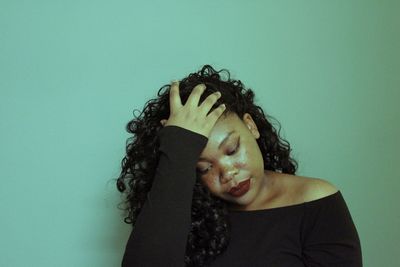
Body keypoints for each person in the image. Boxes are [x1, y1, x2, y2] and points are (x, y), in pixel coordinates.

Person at [115, 65, 362, 266]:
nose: (228, 173)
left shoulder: (315, 203)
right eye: (204, 168)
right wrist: (179, 150)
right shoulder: (186, 213)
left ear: (251, 126)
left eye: (232, 150)